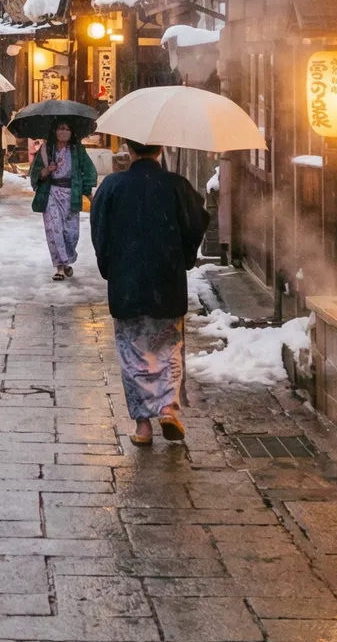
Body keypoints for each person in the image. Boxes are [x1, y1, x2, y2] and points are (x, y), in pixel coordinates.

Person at [89, 140, 207, 445]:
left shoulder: (113, 185)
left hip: (127, 281)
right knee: (168, 347)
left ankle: (143, 425)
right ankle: (168, 406)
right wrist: (182, 255)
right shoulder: (176, 185)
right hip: (166, 280)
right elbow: (197, 223)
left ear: (129, 149)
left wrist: (110, 266)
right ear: (160, 150)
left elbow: (99, 231)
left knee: (133, 353)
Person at [29, 120, 97, 281]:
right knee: (54, 230)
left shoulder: (78, 150)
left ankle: (66, 259)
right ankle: (59, 267)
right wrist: (47, 170)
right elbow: (35, 173)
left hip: (71, 194)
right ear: (55, 131)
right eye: (61, 128)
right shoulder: (46, 150)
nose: (64, 132)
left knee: (71, 233)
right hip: (51, 192)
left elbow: (88, 171)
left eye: (67, 129)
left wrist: (87, 192)